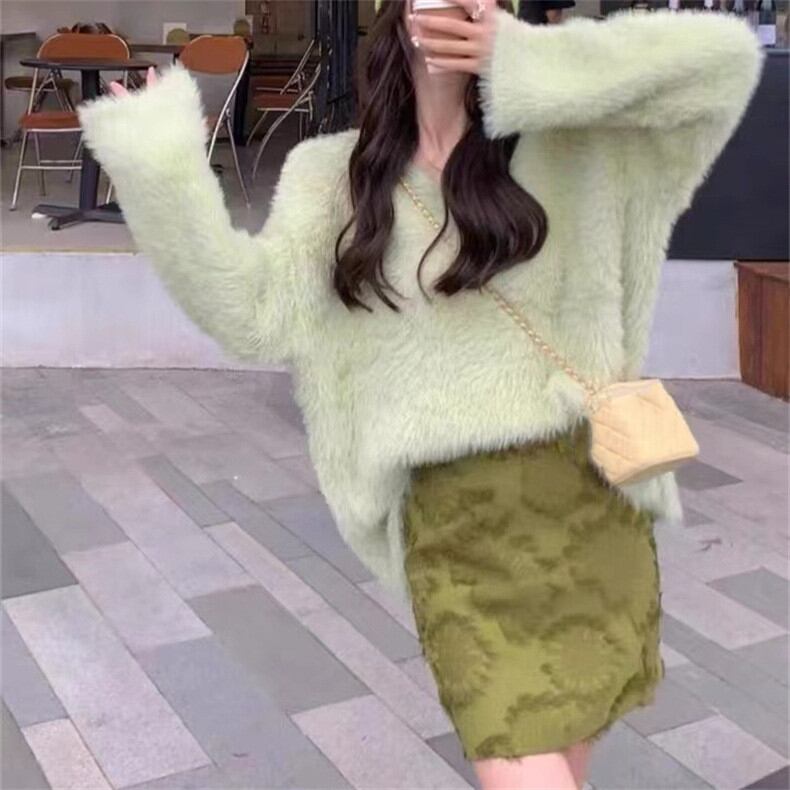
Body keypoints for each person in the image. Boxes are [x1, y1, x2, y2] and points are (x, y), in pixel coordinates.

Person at [78, 1, 763, 787]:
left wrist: (523, 58)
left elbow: (723, 64)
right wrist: (158, 167)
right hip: (457, 529)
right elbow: (251, 313)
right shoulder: (331, 176)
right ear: (398, 16)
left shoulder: (572, 144)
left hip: (589, 506)